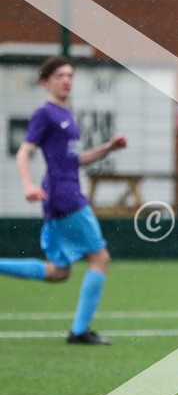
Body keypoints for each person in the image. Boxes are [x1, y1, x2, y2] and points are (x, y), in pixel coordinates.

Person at [0, 56, 127, 345]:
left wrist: (108, 148)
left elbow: (74, 160)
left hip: (62, 192)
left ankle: (79, 330)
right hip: (64, 194)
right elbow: (24, 153)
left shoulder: (66, 115)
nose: (67, 80)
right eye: (60, 75)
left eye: (70, 75)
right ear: (46, 82)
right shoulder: (45, 113)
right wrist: (28, 184)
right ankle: (80, 331)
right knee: (100, 257)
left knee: (59, 272)